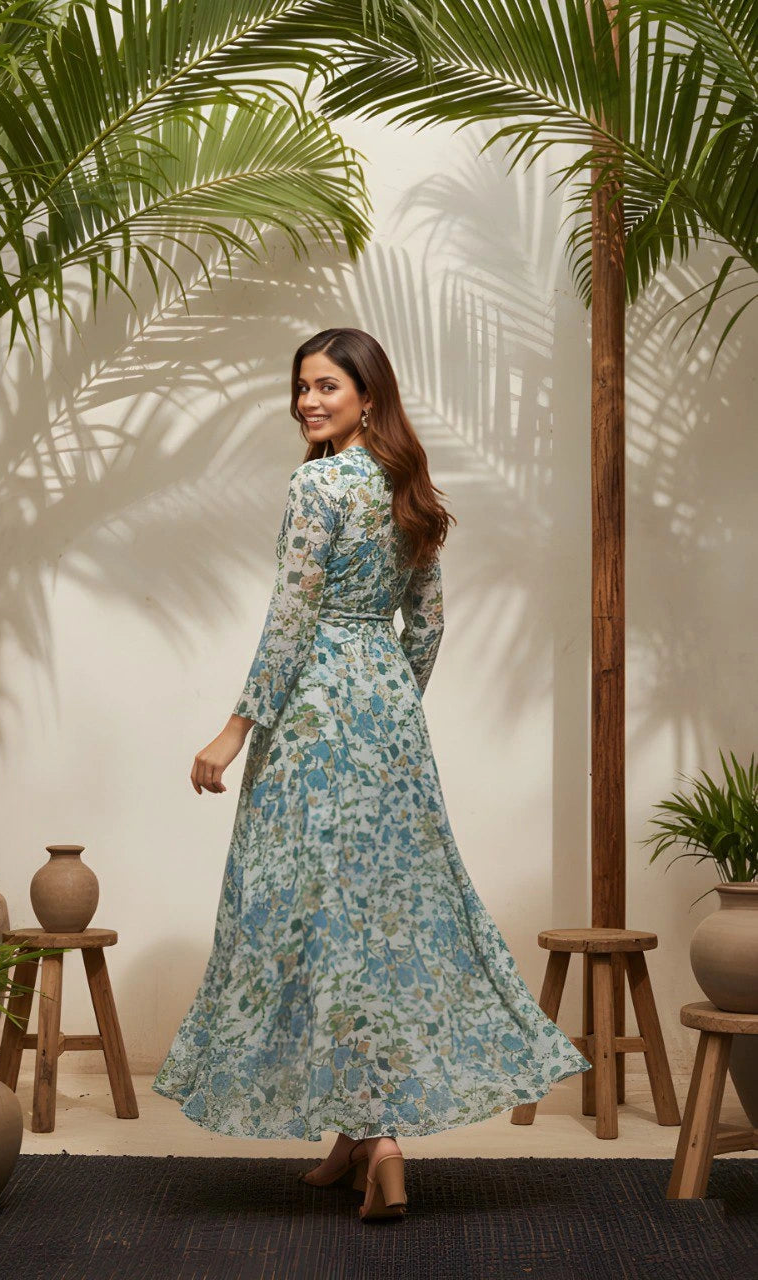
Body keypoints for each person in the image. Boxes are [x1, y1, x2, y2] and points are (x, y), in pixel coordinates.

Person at [153, 328, 592, 1222]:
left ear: (366, 395)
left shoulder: (317, 481)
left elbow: (291, 615)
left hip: (312, 715)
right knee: (377, 919)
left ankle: (378, 1136)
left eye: (325, 387)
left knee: (313, 915)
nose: (308, 402)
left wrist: (234, 731)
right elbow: (425, 622)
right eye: (301, 387)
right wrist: (389, 699)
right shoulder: (409, 489)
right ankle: (357, 1139)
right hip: (387, 720)